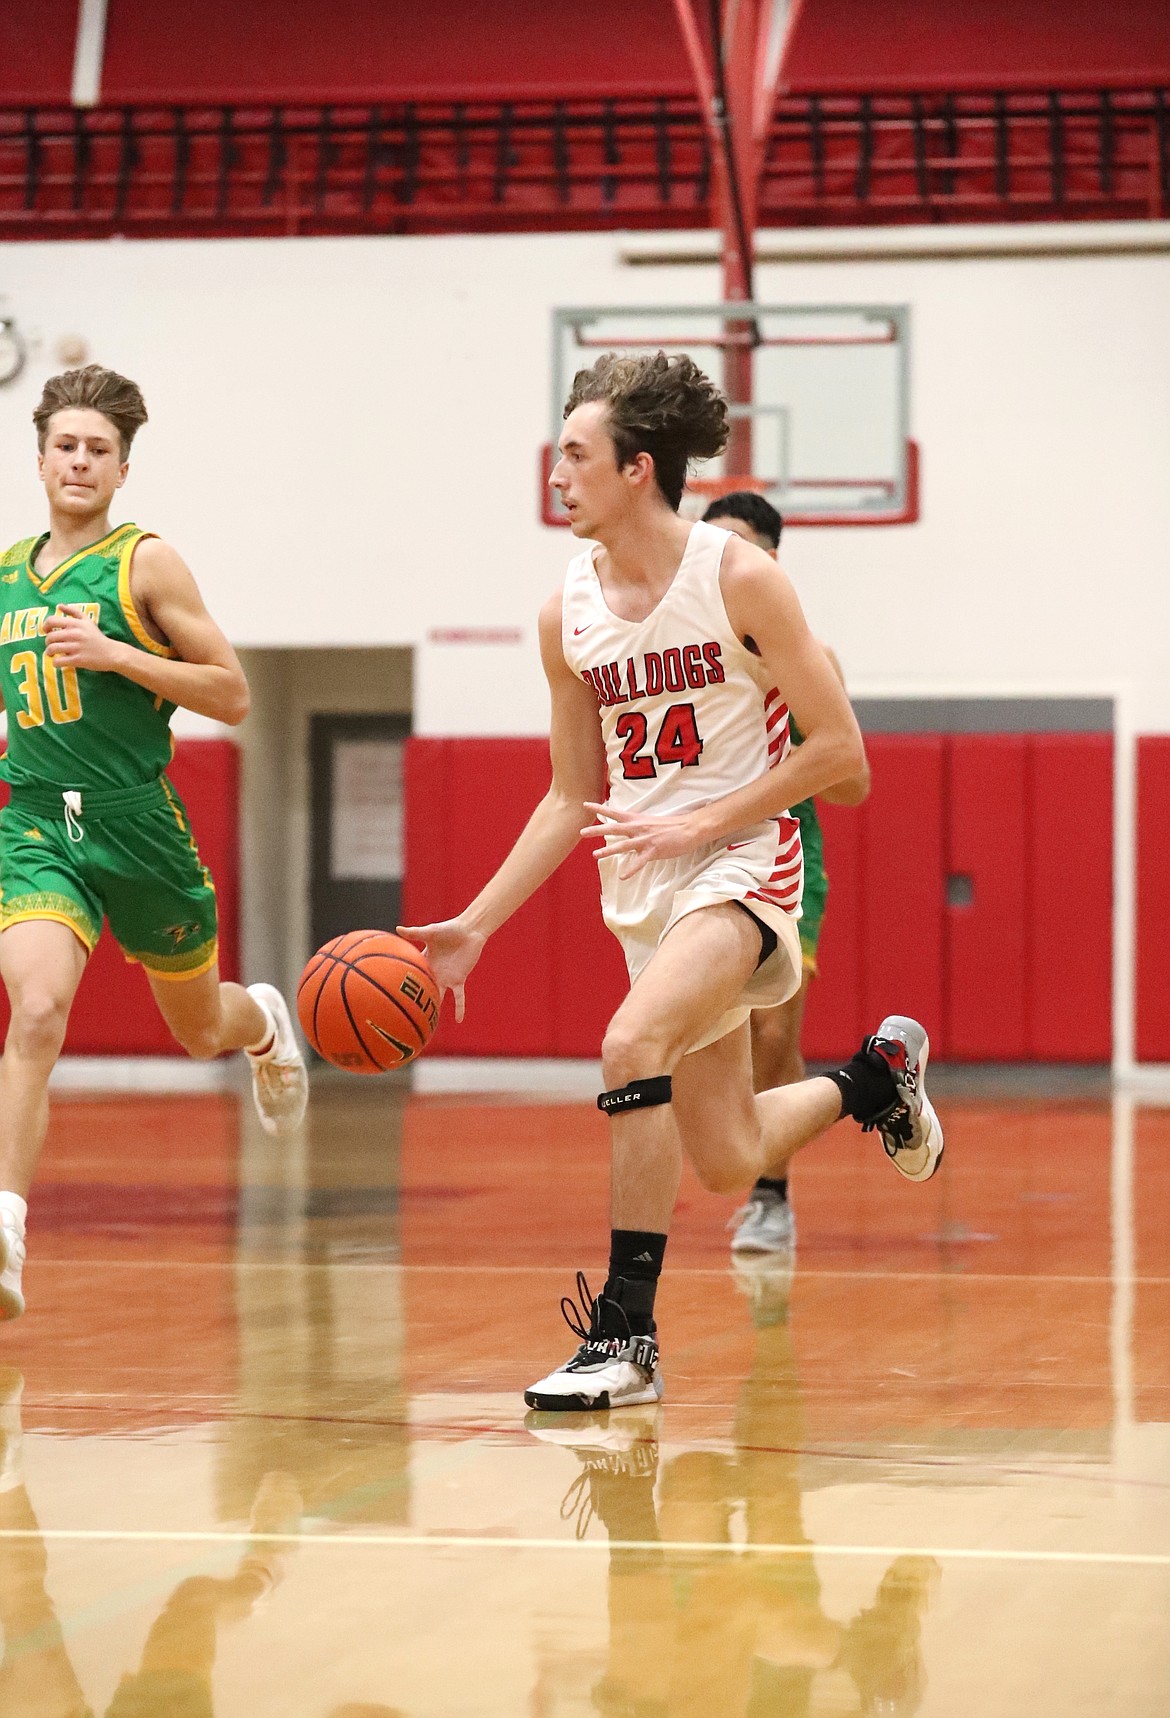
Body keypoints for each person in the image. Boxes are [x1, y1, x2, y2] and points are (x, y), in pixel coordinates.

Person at [400, 352, 943, 1413]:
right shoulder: (566, 616)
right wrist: (474, 924)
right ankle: (877, 1078)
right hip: (644, 887)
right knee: (729, 1154)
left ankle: (626, 1338)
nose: (556, 474)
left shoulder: (739, 578)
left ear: (637, 467)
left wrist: (708, 815)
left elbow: (843, 753)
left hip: (745, 864)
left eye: (574, 454)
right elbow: (569, 795)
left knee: (628, 1042)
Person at [0, 365, 308, 1321]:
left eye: (98, 449)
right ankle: (6, 1231)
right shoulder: (9, 572)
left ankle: (258, 1022)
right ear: (41, 456)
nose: (80, 461)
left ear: (123, 468)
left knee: (195, 1033)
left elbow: (234, 693)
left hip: (138, 824)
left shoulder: (146, 564)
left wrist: (121, 654)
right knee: (39, 1011)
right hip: (38, 818)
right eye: (66, 445)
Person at [700, 490, 870, 1261]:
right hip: (698, 861)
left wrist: (773, 775)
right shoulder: (683, 650)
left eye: (733, 546)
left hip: (786, 859)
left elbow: (846, 781)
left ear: (768, 559)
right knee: (709, 1035)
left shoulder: (805, 655)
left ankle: (771, 1196)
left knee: (773, 1029)